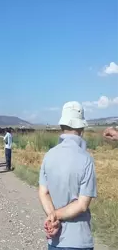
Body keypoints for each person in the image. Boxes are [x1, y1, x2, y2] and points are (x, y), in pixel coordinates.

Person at [38, 101, 97, 250]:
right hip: (79, 241)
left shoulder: (48, 156)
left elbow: (43, 192)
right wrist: (56, 216)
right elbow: (82, 205)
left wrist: (52, 216)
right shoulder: (86, 159)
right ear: (81, 127)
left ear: (61, 126)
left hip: (55, 241)